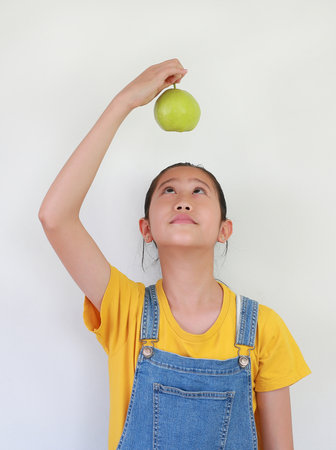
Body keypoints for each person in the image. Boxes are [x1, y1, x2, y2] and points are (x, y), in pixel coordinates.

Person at [38, 58, 311, 450]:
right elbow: (54, 216)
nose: (183, 200)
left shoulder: (263, 329)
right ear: (146, 229)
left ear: (224, 229)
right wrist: (125, 102)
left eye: (199, 191)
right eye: (168, 190)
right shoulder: (125, 310)